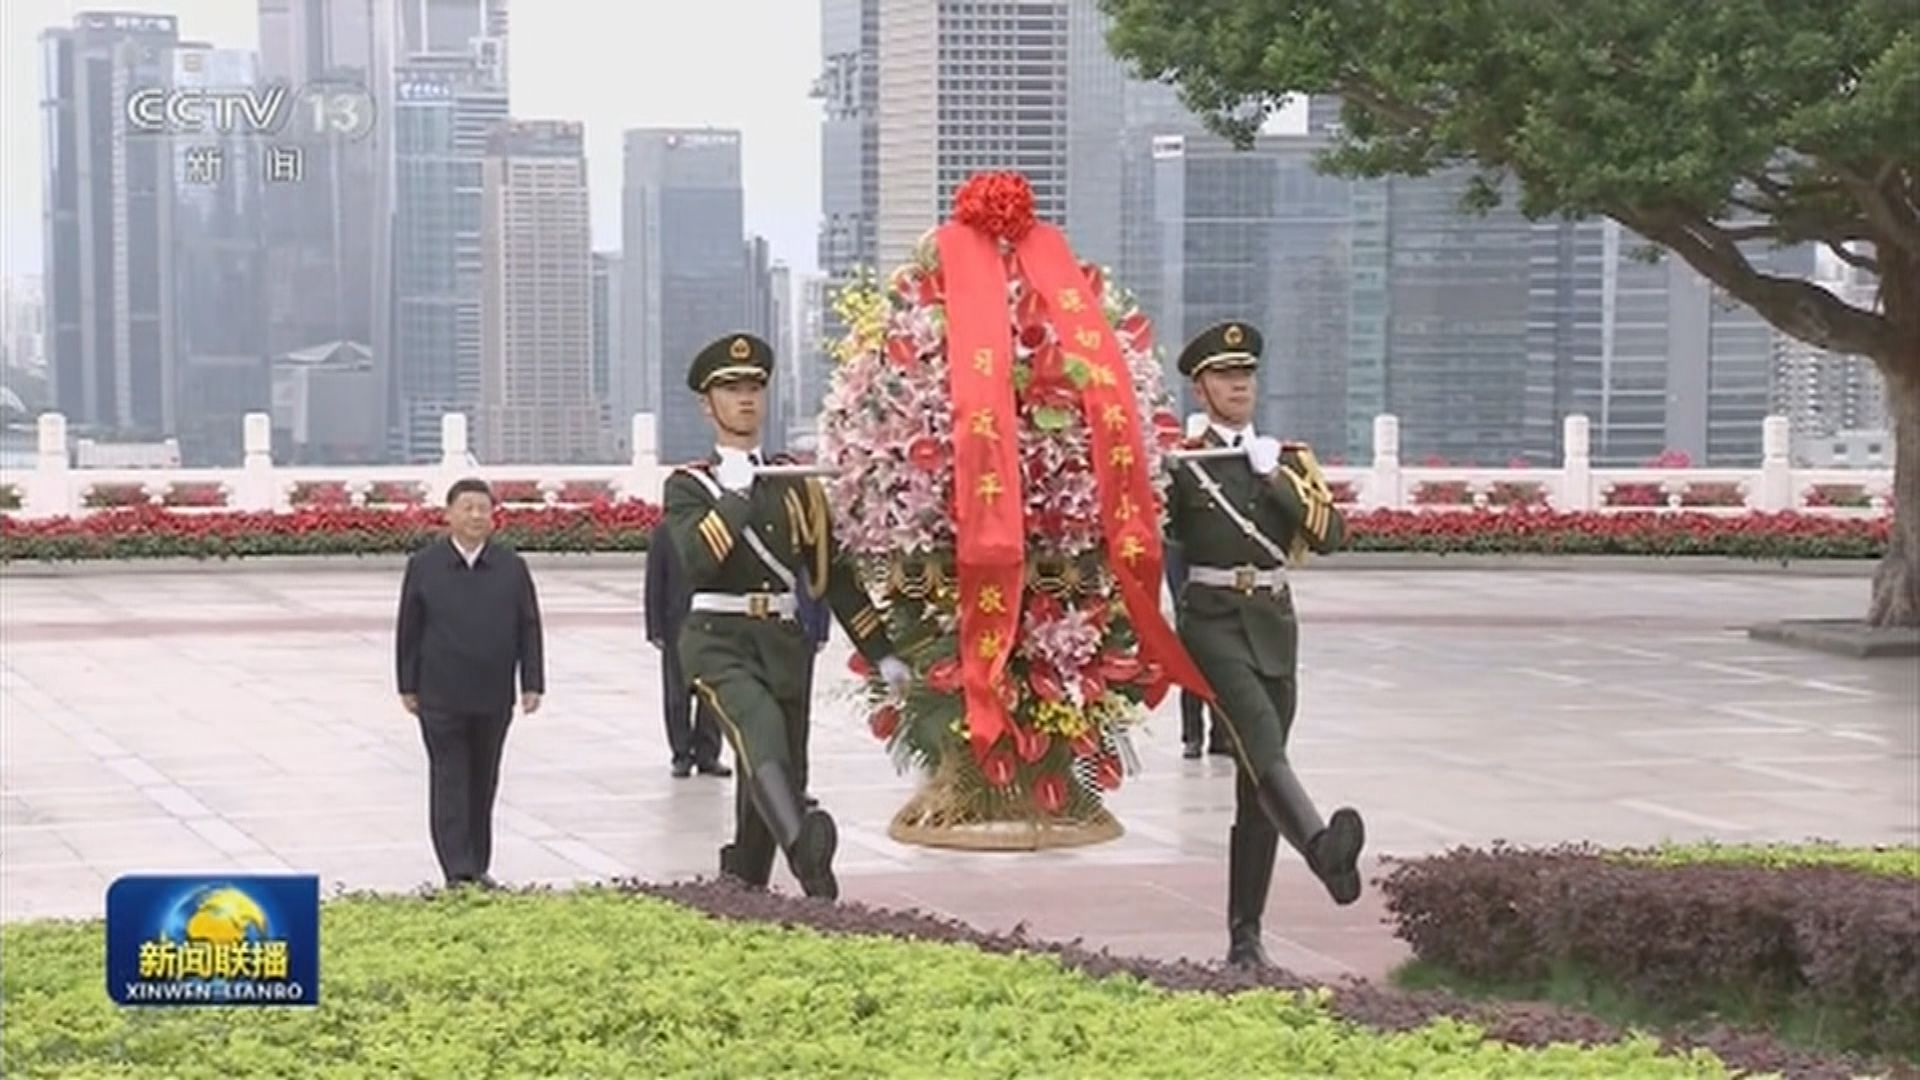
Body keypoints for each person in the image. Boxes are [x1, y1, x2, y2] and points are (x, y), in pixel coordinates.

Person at [663, 332, 910, 899]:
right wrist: (734, 497)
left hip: (782, 642)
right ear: (708, 405)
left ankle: (744, 881)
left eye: (754, 387)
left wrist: (882, 653)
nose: (745, 398)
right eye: (731, 389)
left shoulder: (793, 482)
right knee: (760, 730)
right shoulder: (690, 486)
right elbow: (698, 562)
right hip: (716, 640)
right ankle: (806, 858)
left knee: (780, 771)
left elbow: (835, 576)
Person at [1163, 321, 1365, 969]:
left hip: (1275, 624)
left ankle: (1245, 940)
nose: (1239, 385)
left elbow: (1332, 535)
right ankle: (1322, 848)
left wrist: (1274, 476)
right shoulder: (1181, 465)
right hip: (1211, 622)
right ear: (1201, 390)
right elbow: (1144, 534)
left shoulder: (1288, 459)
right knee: (1260, 740)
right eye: (1225, 376)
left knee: (1258, 789)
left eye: (1246, 374)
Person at [395, 477, 545, 889]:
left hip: (493, 694)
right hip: (440, 694)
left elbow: (529, 626)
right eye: (468, 508)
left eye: (483, 508)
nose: (476, 516)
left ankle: (478, 864)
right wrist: (407, 684)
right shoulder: (424, 565)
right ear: (449, 514)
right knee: (450, 780)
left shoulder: (511, 567)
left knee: (484, 780)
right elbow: (409, 629)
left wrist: (532, 682)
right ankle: (456, 869)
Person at [645, 518, 732, 779]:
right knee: (677, 695)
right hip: (677, 625)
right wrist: (655, 627)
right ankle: (681, 754)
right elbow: (654, 581)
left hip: (713, 623)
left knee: (711, 693)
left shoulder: (717, 526)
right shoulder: (666, 531)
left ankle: (708, 754)